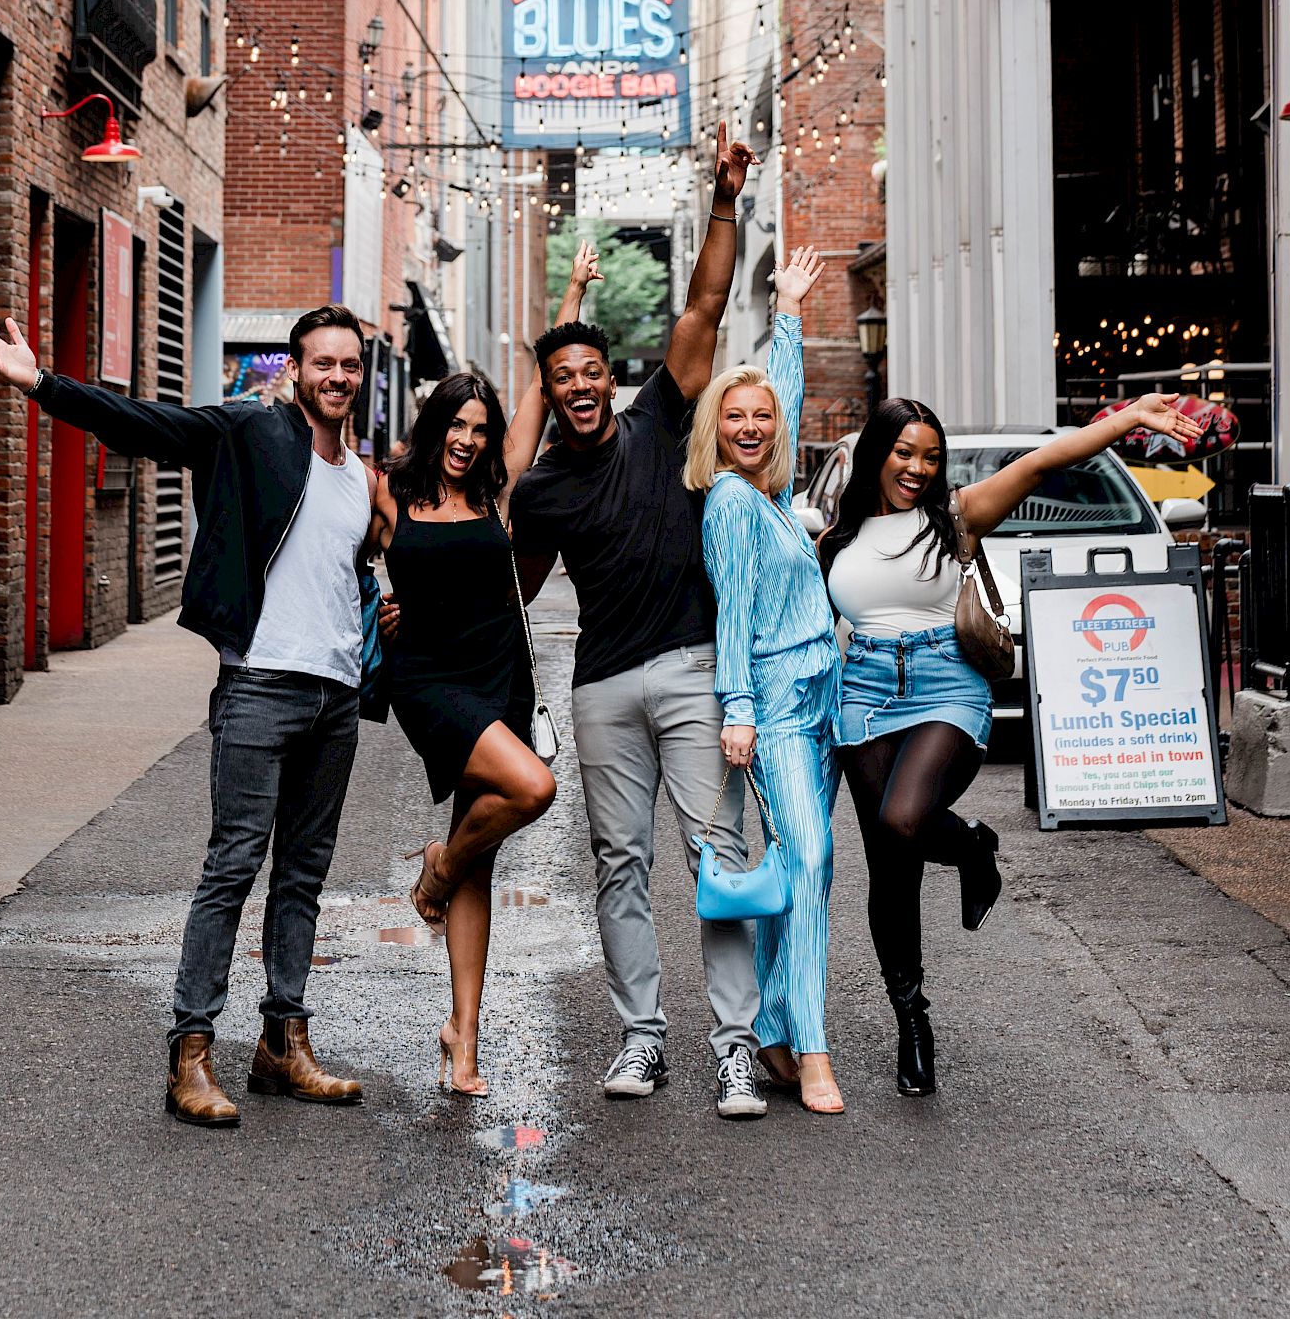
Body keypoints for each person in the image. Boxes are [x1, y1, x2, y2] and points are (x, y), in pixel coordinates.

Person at [0, 299, 377, 1130]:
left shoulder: (360, 475)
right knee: (233, 867)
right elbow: (145, 424)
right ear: (294, 370)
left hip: (335, 693)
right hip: (261, 685)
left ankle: (284, 1044)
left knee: (303, 874)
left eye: (349, 365)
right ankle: (191, 1052)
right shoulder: (251, 433)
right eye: (322, 363)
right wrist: (40, 382)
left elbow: (345, 575)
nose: (337, 377)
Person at [820, 389, 1194, 1097]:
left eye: (931, 457)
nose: (918, 469)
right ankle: (912, 1019)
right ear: (878, 452)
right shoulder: (836, 538)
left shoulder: (957, 516)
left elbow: (1050, 457)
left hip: (946, 687)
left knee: (905, 820)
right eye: (905, 453)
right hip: (863, 692)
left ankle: (969, 848)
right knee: (890, 866)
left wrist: (1131, 418)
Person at [509, 123, 772, 1121]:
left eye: (588, 372)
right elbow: (519, 593)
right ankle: (641, 1038)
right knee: (617, 862)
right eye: (559, 378)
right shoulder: (539, 494)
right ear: (550, 390)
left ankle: (734, 1048)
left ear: (607, 376)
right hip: (602, 687)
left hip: (696, 669)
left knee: (716, 857)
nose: (576, 386)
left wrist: (722, 199)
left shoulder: (663, 415)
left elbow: (704, 300)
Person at [373, 246, 600, 1097]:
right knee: (534, 789)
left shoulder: (499, 494)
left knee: (486, 861)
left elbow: (541, 387)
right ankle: (436, 867)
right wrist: (374, 613)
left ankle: (462, 1039)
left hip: (499, 670)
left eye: (479, 429)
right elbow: (337, 564)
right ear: (436, 428)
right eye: (456, 428)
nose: (468, 442)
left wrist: (571, 294)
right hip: (428, 679)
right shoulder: (391, 495)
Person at [686, 257, 845, 1116]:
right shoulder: (732, 505)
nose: (749, 427)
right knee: (811, 858)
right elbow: (735, 616)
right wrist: (739, 710)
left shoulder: (774, 492)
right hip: (778, 703)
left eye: (760, 418)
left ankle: (782, 1029)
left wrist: (787, 312)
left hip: (826, 697)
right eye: (734, 418)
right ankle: (811, 1051)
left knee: (802, 871)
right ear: (717, 429)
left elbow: (774, 394)